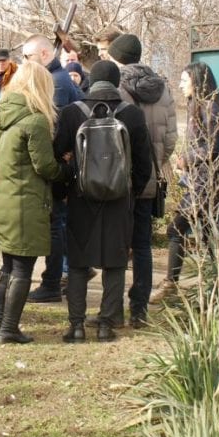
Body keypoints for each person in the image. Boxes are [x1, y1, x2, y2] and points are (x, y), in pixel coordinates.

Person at [54, 60, 151, 342]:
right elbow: (144, 163)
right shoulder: (132, 114)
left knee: (77, 263)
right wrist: (129, 192)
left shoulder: (73, 113)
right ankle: (107, 325)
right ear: (117, 81)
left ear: (90, 80)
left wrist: (66, 190)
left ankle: (76, 326)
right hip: (119, 198)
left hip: (81, 196)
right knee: (115, 262)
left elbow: (58, 153)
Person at [0, 61, 63, 343]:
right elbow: (45, 167)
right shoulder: (36, 120)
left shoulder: (3, 114)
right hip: (24, 202)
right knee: (22, 268)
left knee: (7, 265)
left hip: (3, 199)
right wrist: (65, 169)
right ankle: (8, 328)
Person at [109, 32, 177, 327]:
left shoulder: (117, 86)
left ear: (115, 57)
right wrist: (155, 163)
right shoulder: (162, 89)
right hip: (150, 177)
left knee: (115, 242)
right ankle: (139, 311)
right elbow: (172, 138)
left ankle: (111, 309)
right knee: (143, 245)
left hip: (121, 179)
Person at [153, 63, 219, 301]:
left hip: (207, 184)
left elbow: (213, 147)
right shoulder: (197, 106)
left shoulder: (209, 108)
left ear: (197, 82)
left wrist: (185, 159)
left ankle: (172, 285)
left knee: (176, 229)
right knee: (209, 235)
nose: (180, 85)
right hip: (201, 182)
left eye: (184, 80)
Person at [21, 33, 82, 304]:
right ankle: (62, 274)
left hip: (58, 166)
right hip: (61, 163)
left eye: (28, 57)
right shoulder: (57, 78)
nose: (23, 63)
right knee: (59, 224)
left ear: (45, 55)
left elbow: (52, 129)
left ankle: (52, 281)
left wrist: (53, 161)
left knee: (55, 225)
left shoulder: (55, 82)